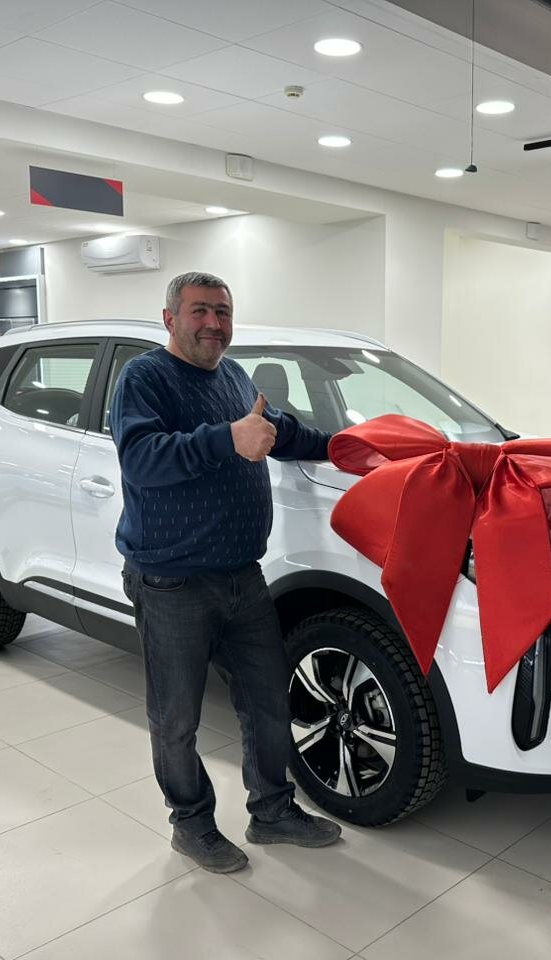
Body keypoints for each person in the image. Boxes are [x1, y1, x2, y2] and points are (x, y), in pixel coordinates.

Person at [110, 271, 341, 873]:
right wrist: (226, 439)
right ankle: (191, 825)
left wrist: (346, 447)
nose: (214, 323)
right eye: (200, 311)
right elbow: (141, 459)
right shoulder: (143, 378)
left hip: (242, 575)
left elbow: (278, 431)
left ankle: (273, 812)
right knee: (177, 718)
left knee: (268, 702)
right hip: (172, 581)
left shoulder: (236, 377)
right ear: (170, 319)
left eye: (223, 311)